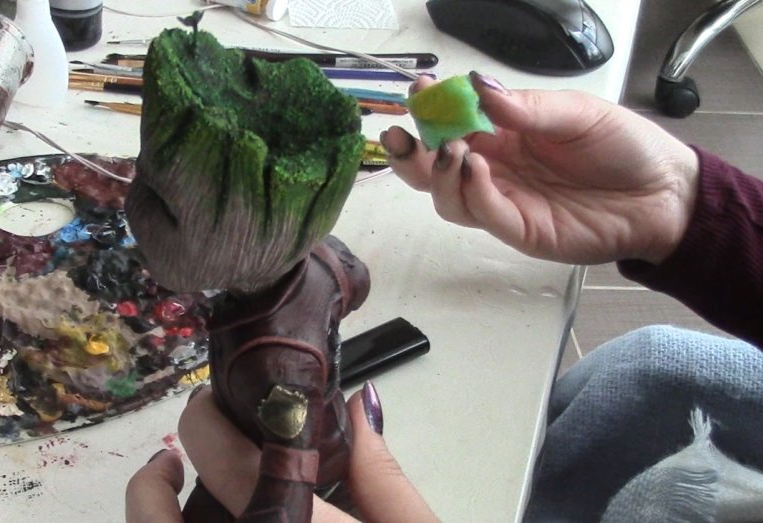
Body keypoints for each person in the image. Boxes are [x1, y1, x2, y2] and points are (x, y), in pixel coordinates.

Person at [125, 72, 763, 522]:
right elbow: (354, 278)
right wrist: (681, 201)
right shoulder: (312, 261)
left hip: (305, 469)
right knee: (645, 365)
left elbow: (288, 478)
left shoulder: (280, 360)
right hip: (667, 398)